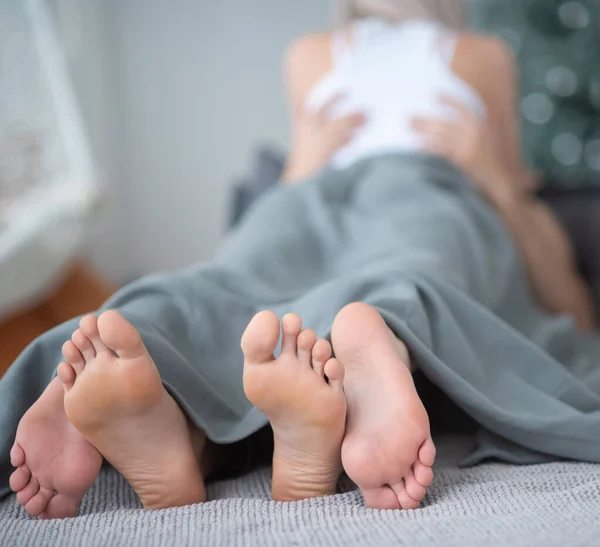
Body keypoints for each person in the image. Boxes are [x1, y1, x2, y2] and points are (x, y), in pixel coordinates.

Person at [1, 0, 600, 520]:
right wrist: (298, 169)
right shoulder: (311, 55)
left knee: (412, 259)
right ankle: (179, 408)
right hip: (309, 199)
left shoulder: (481, 55)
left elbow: (550, 262)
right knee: (230, 281)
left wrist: (491, 176)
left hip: (430, 189)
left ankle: (344, 369)